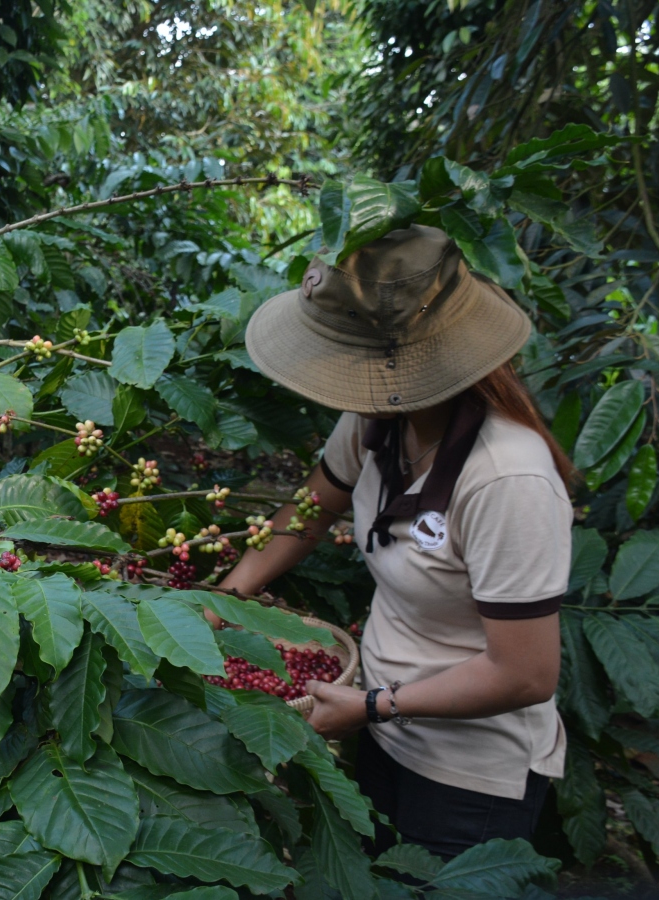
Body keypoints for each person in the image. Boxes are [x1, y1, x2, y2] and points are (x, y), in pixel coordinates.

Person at [230, 225, 574, 859]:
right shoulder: (379, 418)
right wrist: (228, 597)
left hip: (468, 778)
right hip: (385, 731)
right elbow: (308, 512)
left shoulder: (508, 479)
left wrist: (376, 705)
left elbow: (526, 673)